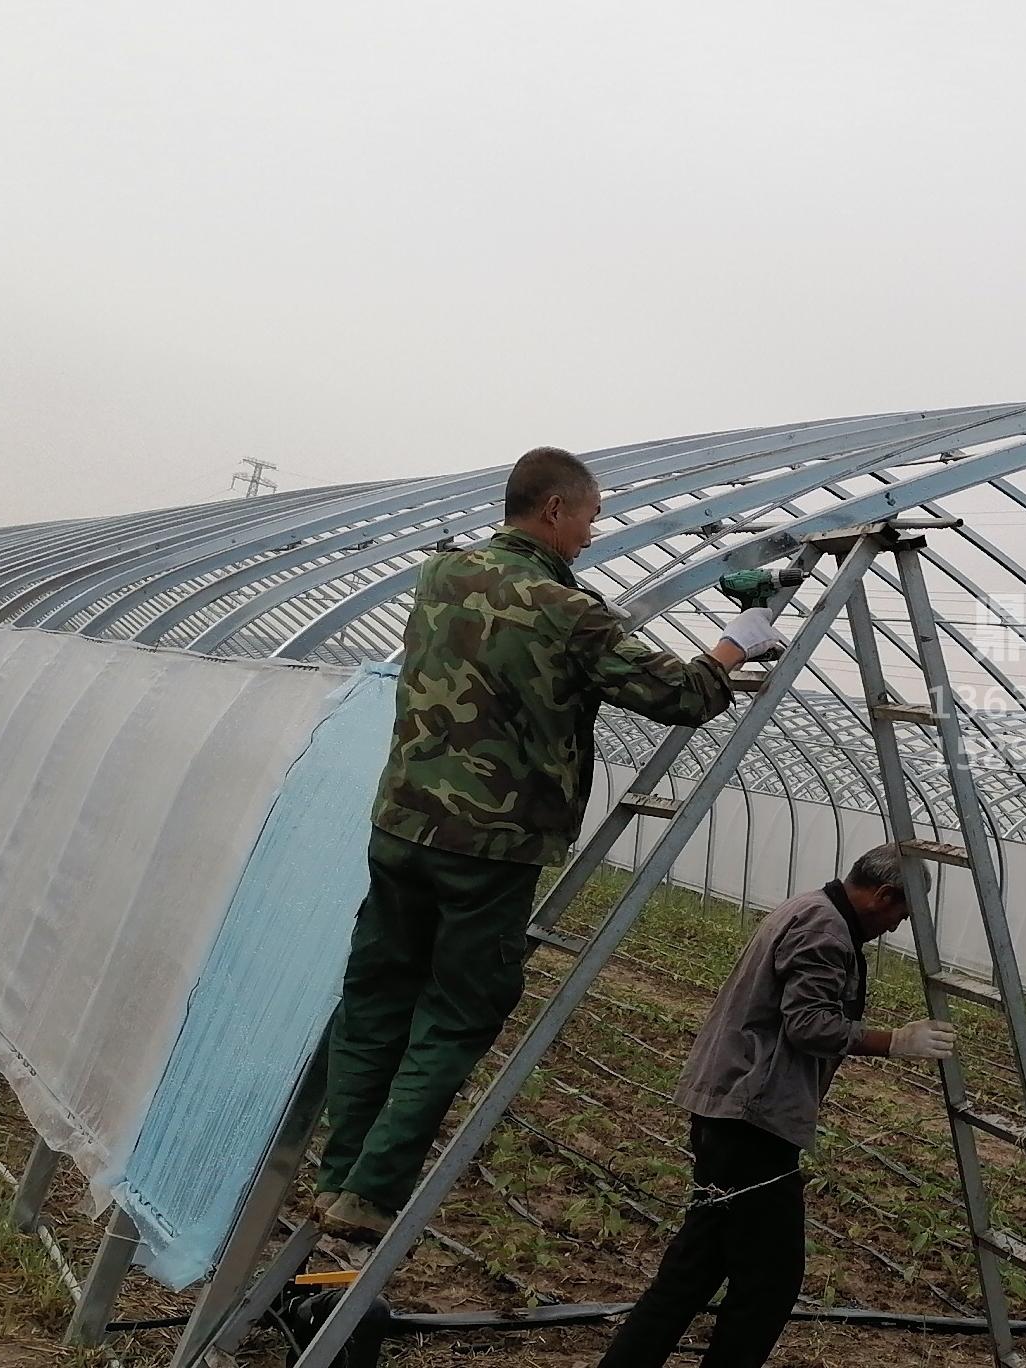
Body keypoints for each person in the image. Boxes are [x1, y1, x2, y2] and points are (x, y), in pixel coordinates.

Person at [315, 446, 792, 1239]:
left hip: (401, 825)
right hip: (488, 845)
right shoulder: (566, 611)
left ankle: (337, 1176)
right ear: (554, 510)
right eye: (590, 517)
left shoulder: (441, 577)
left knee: (376, 997)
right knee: (460, 1010)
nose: (590, 533)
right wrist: (739, 638)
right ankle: (370, 1194)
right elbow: (678, 694)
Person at [598, 843, 956, 1368]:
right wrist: (896, 1041)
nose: (896, 928)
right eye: (900, 914)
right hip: (753, 1118)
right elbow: (809, 1025)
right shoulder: (826, 929)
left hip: (729, 1108)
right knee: (770, 1283)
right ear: (883, 894)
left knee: (696, 1267)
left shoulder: (808, 906)